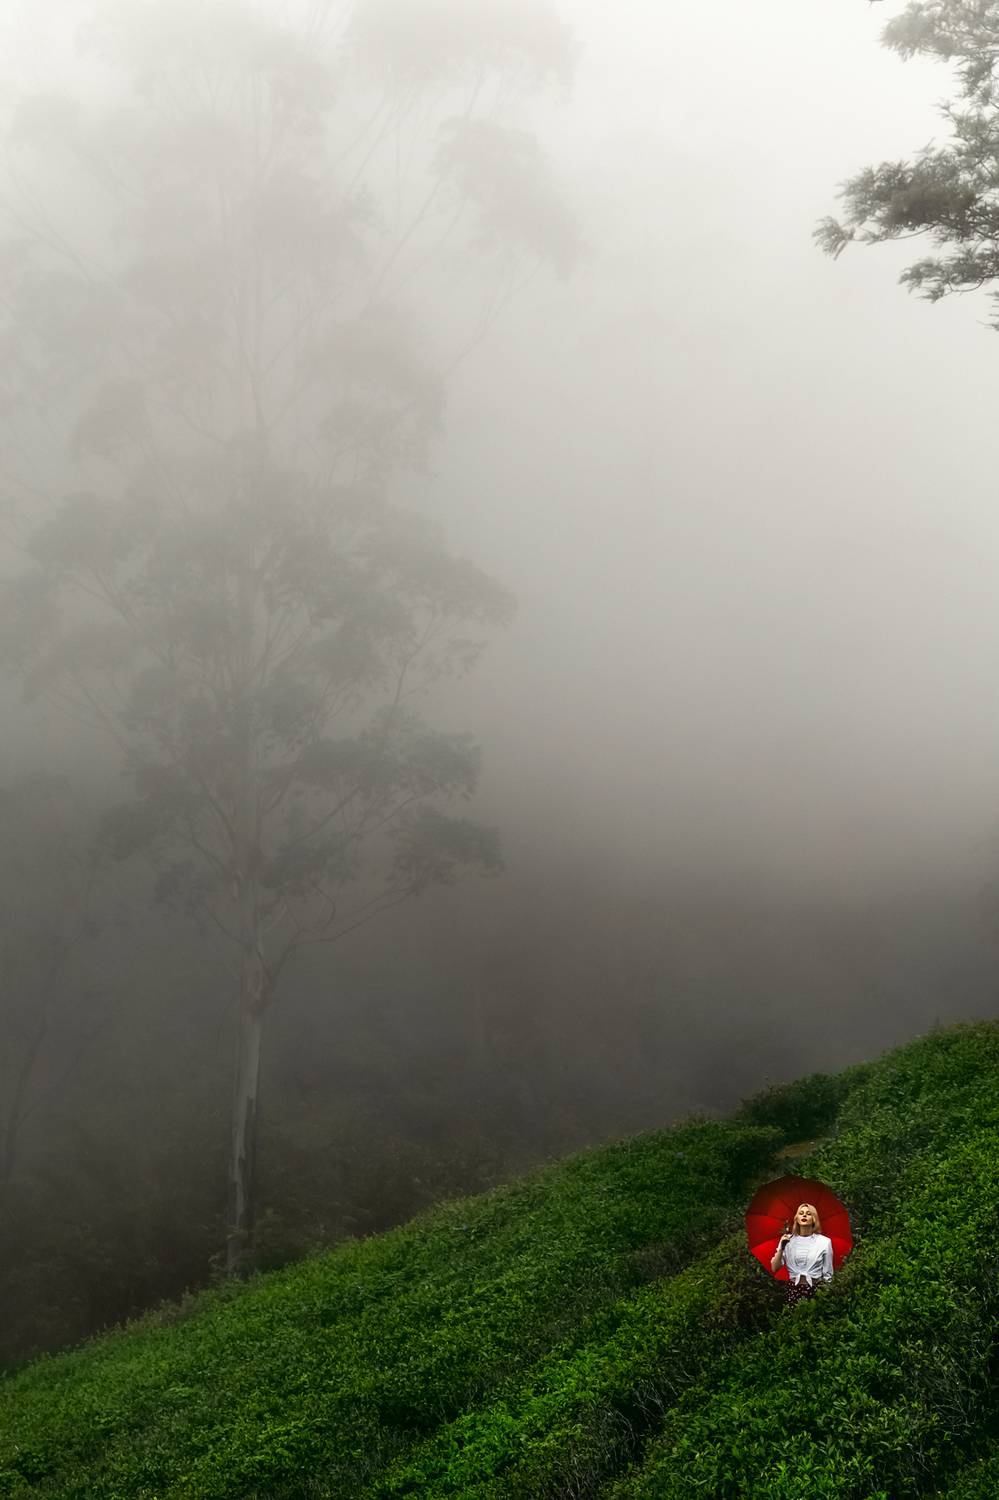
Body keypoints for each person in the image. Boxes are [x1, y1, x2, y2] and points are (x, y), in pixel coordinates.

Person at [771, 1202, 833, 1307]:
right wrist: (781, 1247)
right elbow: (774, 1268)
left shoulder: (824, 1242)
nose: (804, 1215)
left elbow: (828, 1274)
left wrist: (826, 1296)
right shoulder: (788, 1240)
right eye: (801, 1213)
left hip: (816, 1290)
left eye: (809, 1213)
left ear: (814, 1219)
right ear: (796, 1218)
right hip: (793, 1290)